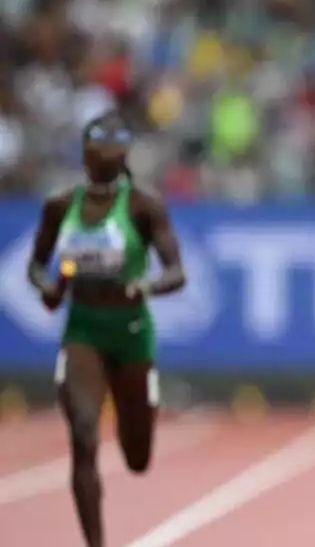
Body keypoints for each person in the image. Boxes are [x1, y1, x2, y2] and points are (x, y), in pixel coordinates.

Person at [26, 112, 187, 547]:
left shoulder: (143, 205)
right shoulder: (61, 206)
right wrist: (50, 289)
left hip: (132, 332)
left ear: (125, 157)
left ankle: (139, 415)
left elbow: (177, 273)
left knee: (137, 457)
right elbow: (37, 267)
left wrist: (146, 285)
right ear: (85, 153)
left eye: (116, 150)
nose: (106, 157)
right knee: (82, 431)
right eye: (99, 148)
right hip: (84, 330)